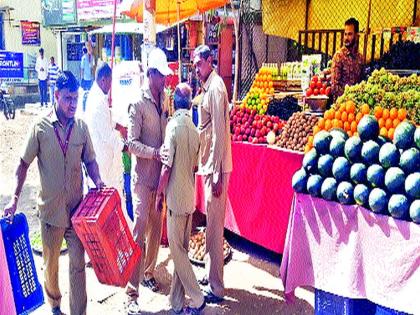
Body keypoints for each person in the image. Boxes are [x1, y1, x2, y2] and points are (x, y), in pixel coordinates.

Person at [3, 71, 104, 315]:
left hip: (77, 212)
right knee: (51, 267)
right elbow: (22, 165)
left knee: (78, 266)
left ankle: (78, 311)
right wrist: (14, 199)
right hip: (50, 214)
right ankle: (55, 305)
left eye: (76, 99)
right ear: (56, 95)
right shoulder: (40, 127)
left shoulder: (81, 127)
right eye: (68, 98)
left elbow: (90, 160)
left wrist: (97, 179)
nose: (73, 104)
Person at [125, 48, 173, 314]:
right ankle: (131, 293)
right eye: (162, 76)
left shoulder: (163, 99)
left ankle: (149, 273)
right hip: (142, 179)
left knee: (156, 229)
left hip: (160, 179)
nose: (165, 80)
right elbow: (130, 143)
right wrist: (154, 153)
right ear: (151, 74)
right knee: (139, 229)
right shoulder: (138, 103)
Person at [156, 83, 205, 315]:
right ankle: (176, 302)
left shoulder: (173, 127)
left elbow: (166, 168)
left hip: (175, 199)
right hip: (189, 199)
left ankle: (197, 299)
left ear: (174, 102)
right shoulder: (195, 131)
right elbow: (195, 165)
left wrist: (158, 193)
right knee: (182, 250)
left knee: (177, 253)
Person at [193, 45, 232, 304]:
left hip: (215, 167)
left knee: (215, 229)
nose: (196, 69)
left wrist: (217, 174)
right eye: (194, 65)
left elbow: (219, 132)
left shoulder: (217, 88)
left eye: (199, 64)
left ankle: (217, 288)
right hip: (209, 165)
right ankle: (211, 275)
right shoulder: (208, 86)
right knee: (211, 227)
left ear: (210, 61)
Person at [84, 62, 127, 195]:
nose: (110, 86)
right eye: (110, 82)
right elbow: (108, 136)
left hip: (100, 157)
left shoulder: (96, 96)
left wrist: (119, 126)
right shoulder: (98, 102)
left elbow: (106, 118)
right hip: (101, 160)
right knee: (108, 198)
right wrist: (126, 147)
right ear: (103, 80)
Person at [331, 18, 364, 101]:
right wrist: (349, 97)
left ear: (356, 35)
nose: (346, 38)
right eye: (345, 34)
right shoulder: (339, 56)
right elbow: (334, 87)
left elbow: (362, 83)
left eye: (350, 34)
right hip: (341, 107)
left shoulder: (360, 58)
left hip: (357, 104)